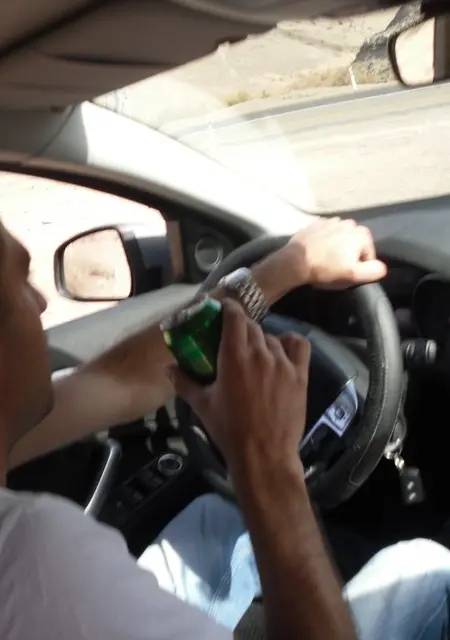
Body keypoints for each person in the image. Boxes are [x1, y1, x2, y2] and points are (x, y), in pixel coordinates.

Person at [0, 213, 447, 640]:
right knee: (423, 566)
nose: (41, 302)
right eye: (21, 282)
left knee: (218, 520)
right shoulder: (34, 557)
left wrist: (292, 266)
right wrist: (270, 467)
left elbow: (122, 378)